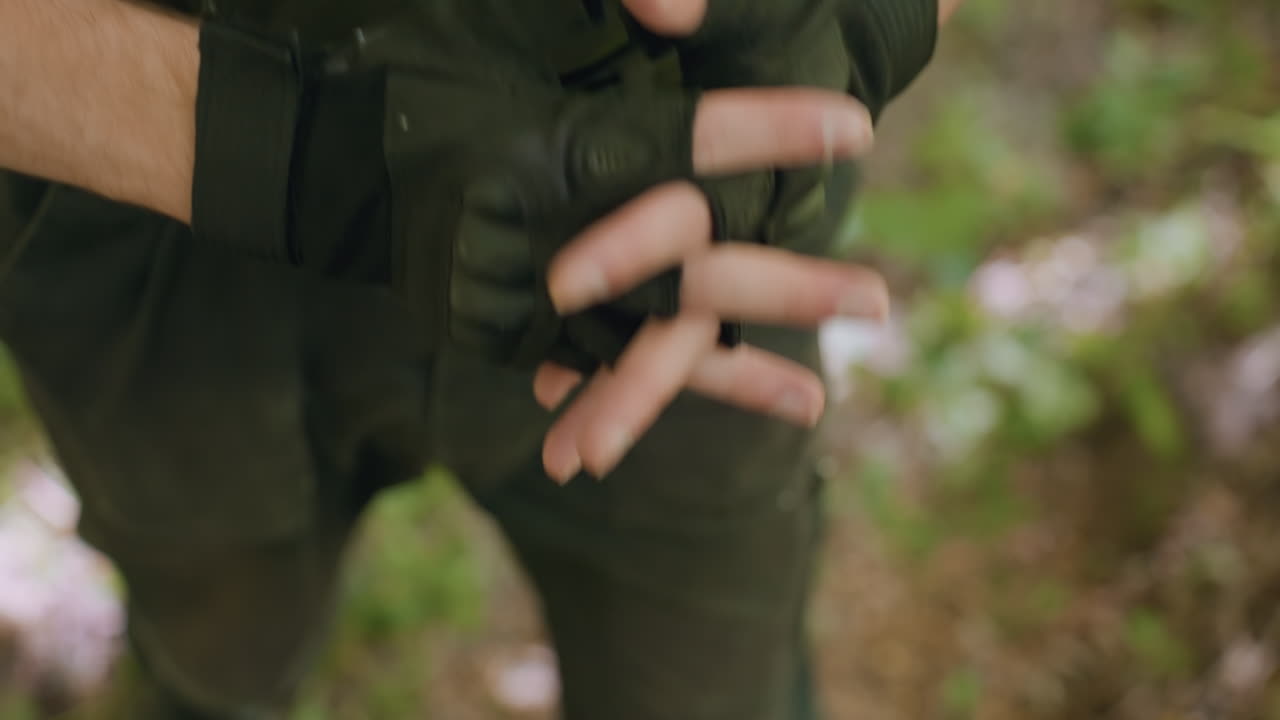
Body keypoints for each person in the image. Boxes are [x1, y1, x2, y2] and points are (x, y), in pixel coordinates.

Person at [0, 0, 955, 717]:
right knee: (213, 656)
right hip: (142, 200)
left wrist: (861, 20)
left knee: (712, 687)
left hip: (676, 204)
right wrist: (300, 155)